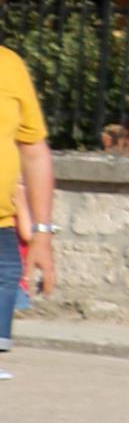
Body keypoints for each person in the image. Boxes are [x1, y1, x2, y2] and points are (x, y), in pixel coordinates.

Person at [0, 33, 48, 378]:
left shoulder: (10, 66)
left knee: (7, 274)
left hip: (2, 221)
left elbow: (34, 151)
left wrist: (42, 233)